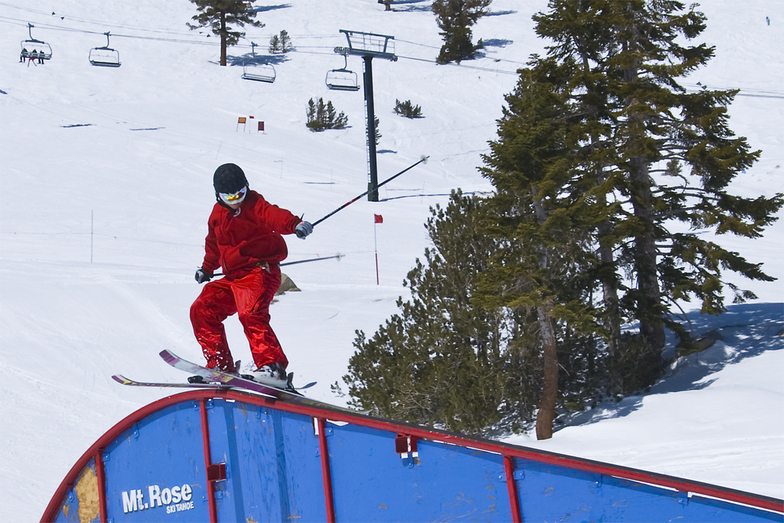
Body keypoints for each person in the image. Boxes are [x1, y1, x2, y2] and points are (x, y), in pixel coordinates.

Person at [190, 163, 313, 387]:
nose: (236, 200)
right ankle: (220, 366)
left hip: (260, 271)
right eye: (229, 197)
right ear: (218, 195)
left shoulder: (255, 204)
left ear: (246, 188)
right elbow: (214, 245)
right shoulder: (217, 215)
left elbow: (275, 215)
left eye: (240, 194)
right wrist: (207, 269)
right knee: (202, 309)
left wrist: (296, 224)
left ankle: (273, 368)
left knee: (250, 312)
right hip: (233, 277)